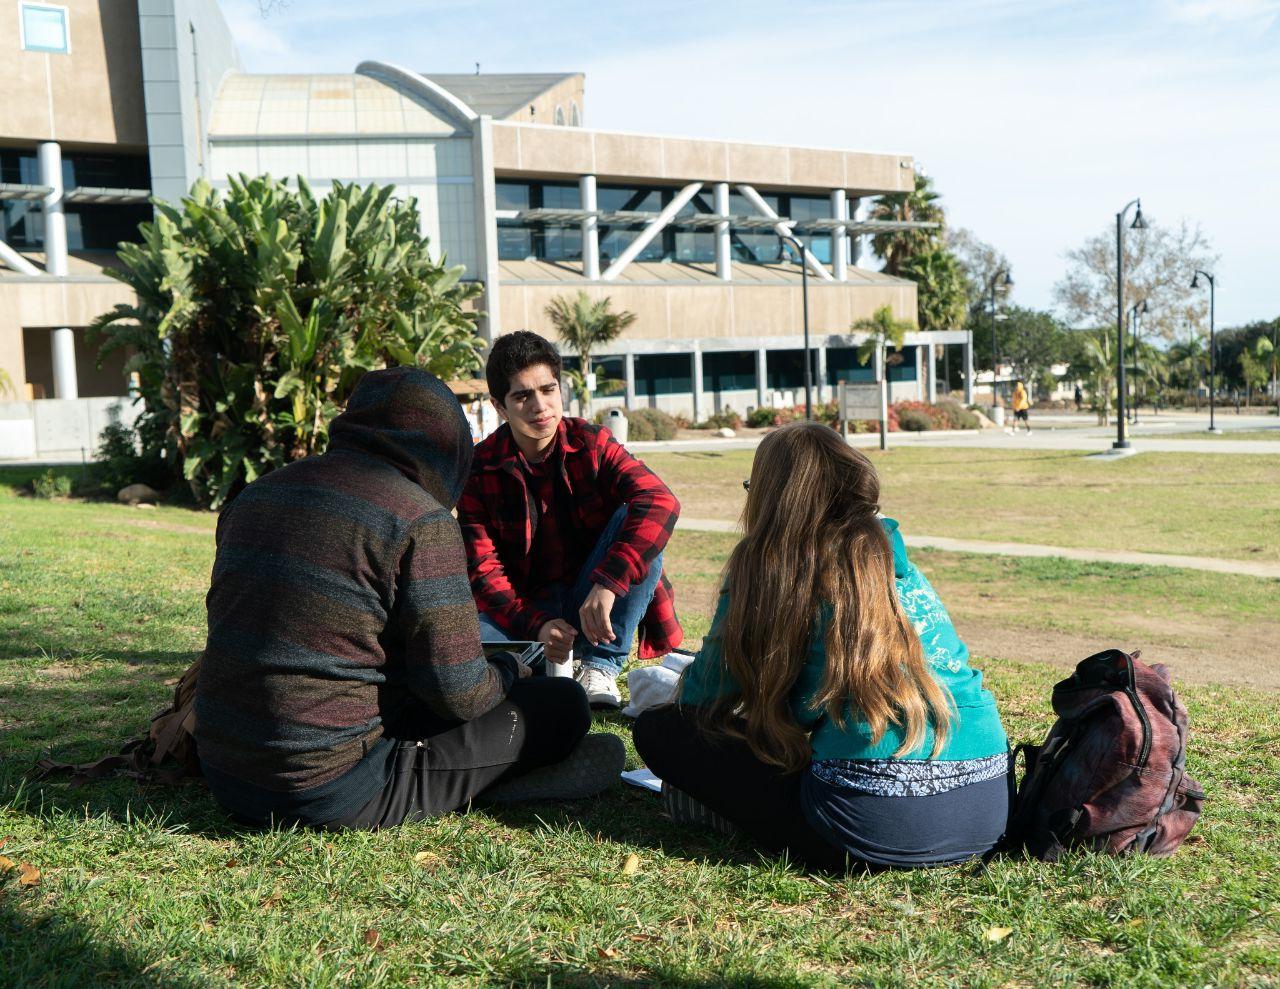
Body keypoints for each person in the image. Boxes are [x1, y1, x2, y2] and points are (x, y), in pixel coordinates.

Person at [195, 366, 621, 830]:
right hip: (327, 786)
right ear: (445, 443)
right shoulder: (418, 518)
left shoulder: (254, 495)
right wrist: (509, 668)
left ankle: (475, 776)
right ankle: (487, 784)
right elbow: (461, 696)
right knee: (562, 705)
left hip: (222, 767)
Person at [633, 421, 1009, 872]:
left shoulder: (767, 566)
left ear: (772, 496)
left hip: (867, 829)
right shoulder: (896, 562)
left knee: (661, 732)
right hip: (989, 809)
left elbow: (703, 695)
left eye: (753, 486)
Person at [458, 331, 682, 709]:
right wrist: (538, 625)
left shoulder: (592, 443)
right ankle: (538, 659)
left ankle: (600, 665)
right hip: (525, 609)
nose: (540, 406)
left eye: (548, 390)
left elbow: (660, 501)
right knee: (471, 645)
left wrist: (609, 583)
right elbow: (483, 572)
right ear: (499, 405)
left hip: (596, 599)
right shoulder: (479, 469)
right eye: (522, 395)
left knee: (640, 519)